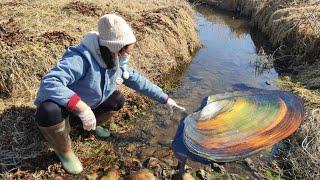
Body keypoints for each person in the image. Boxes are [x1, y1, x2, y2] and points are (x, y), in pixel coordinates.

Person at [34, 14, 185, 174]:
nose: (127, 55)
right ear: (114, 48)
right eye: (126, 51)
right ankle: (64, 150)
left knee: (117, 99)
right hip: (65, 112)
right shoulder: (81, 58)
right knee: (48, 110)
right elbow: (50, 82)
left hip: (86, 110)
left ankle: (90, 127)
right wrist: (82, 108)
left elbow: (139, 82)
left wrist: (165, 98)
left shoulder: (116, 61)